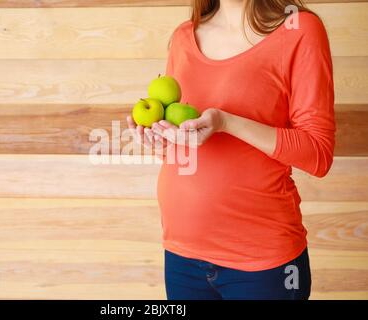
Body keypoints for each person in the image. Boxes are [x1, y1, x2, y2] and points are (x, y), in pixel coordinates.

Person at [127, 0, 335, 300]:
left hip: (262, 266)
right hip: (181, 255)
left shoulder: (299, 30)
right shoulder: (185, 36)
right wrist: (161, 141)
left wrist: (227, 122)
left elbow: (318, 154)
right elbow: (186, 142)